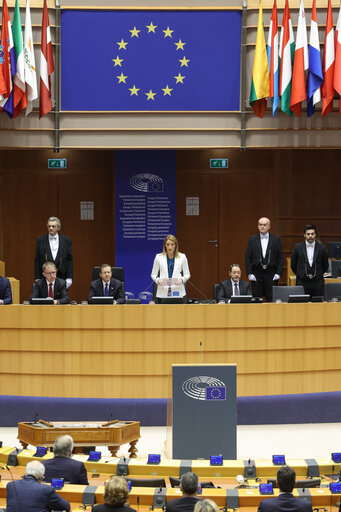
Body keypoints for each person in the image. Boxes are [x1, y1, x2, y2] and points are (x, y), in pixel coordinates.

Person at [6, 460, 70, 512]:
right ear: (41, 476)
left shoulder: (11, 486)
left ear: (26, 472)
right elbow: (66, 506)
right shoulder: (47, 490)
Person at [245, 217, 283, 302]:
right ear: (258, 226)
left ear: (269, 226)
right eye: (260, 225)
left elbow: (280, 258)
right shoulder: (252, 239)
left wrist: (278, 273)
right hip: (257, 273)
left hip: (271, 273)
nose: (262, 227)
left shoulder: (276, 239)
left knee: (271, 298)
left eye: (264, 225)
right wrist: (249, 273)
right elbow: (247, 257)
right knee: (257, 299)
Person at [291, 224, 329, 299]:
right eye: (308, 234)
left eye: (312, 234)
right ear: (304, 235)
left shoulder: (322, 248)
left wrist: (318, 274)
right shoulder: (297, 247)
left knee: (318, 307)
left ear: (315, 235)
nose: (310, 236)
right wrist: (301, 274)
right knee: (301, 306)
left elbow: (325, 265)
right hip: (302, 282)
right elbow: (293, 264)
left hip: (317, 283)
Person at [34, 216, 73, 288]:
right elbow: (37, 259)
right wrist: (37, 278)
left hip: (62, 276)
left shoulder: (66, 240)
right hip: (45, 277)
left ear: (58, 227)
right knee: (46, 298)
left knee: (62, 299)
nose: (51, 228)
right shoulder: (40, 240)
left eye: (53, 226)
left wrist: (69, 278)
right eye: (49, 226)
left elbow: (69, 259)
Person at [151, 234, 190, 303]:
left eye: (172, 244)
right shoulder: (158, 257)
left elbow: (187, 274)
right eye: (168, 244)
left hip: (178, 291)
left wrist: (182, 279)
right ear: (165, 246)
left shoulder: (182, 257)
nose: (170, 247)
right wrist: (158, 280)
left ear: (175, 245)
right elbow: (153, 274)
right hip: (162, 292)